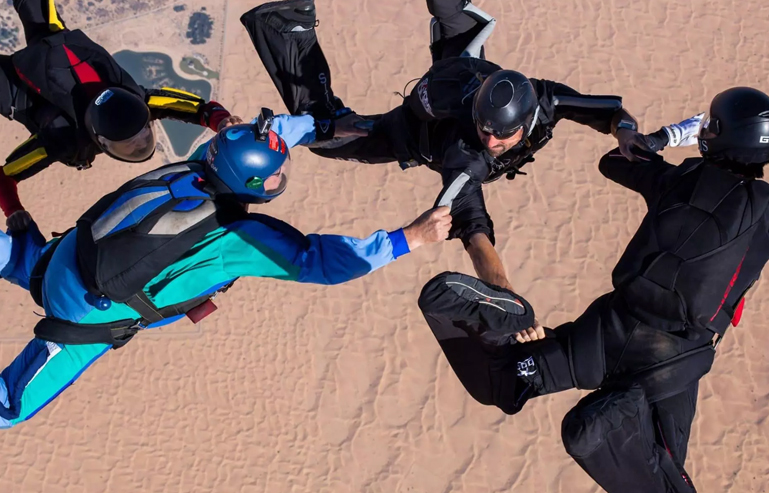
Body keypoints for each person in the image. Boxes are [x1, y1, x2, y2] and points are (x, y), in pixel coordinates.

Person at [239, 0, 700, 323]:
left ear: (526, 119)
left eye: (500, 136)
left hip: (463, 76)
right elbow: (475, 235)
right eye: (485, 131)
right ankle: (285, 27)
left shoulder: (546, 99)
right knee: (327, 138)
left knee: (455, 18)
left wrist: (624, 131)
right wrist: (504, 295)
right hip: (408, 132)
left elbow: (610, 111)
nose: (491, 141)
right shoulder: (467, 156)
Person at [417, 86, 769, 493]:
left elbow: (614, 161)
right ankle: (605, 419)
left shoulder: (678, 177)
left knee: (505, 383)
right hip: (668, 366)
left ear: (719, 134)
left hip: (605, 333)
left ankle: (482, 309)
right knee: (664, 480)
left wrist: (659, 140)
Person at [0, 109, 452, 429]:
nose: (279, 180)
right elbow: (323, 262)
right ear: (253, 185)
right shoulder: (238, 237)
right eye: (274, 177)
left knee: (17, 258)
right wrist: (409, 237)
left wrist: (326, 126)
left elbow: (259, 135)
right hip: (82, 316)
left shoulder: (202, 162)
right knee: (10, 406)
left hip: (56, 259)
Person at [0, 0, 241, 230]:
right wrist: (13, 210)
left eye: (141, 134)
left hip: (55, 48)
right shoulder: (62, 138)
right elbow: (5, 176)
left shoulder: (140, 101)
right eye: (138, 139)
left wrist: (220, 120)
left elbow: (199, 109)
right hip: (24, 89)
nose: (140, 143)